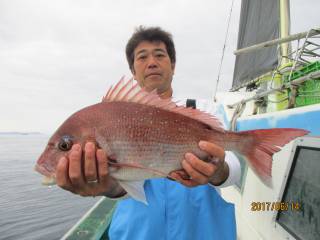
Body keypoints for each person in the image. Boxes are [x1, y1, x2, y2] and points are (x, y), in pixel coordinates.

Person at [56, 26, 241, 240]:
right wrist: (108, 186)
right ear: (133, 71)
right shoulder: (115, 115)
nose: (152, 62)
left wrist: (218, 171)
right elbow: (125, 186)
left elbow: (234, 171)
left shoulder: (201, 110)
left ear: (173, 65)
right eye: (142, 57)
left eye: (160, 55)